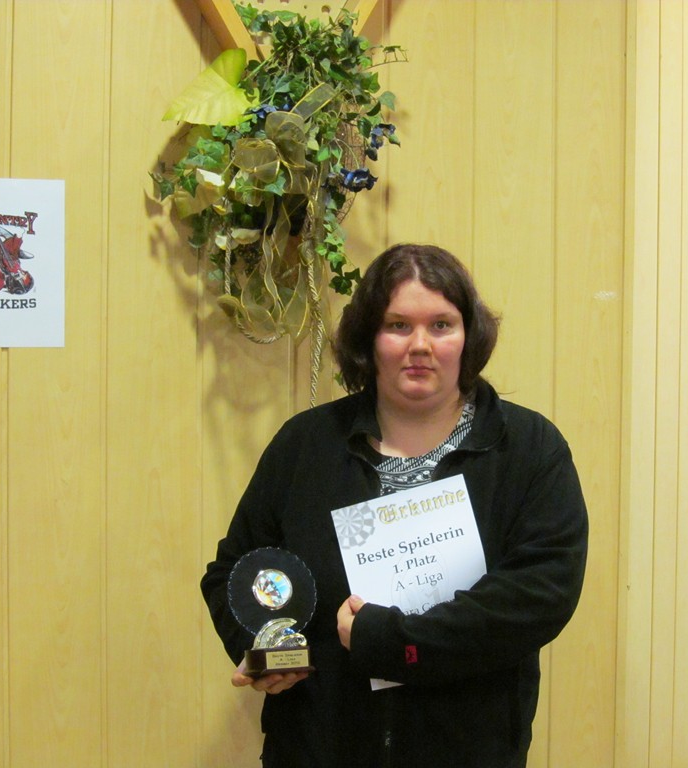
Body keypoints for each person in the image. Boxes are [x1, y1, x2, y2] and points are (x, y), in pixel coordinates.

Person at [201, 243, 588, 767]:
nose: (420, 345)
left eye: (441, 325)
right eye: (398, 326)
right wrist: (264, 645)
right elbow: (234, 570)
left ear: (469, 335)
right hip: (318, 748)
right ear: (368, 338)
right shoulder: (305, 445)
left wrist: (391, 643)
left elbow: (537, 596)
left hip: (469, 751)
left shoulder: (528, 449)